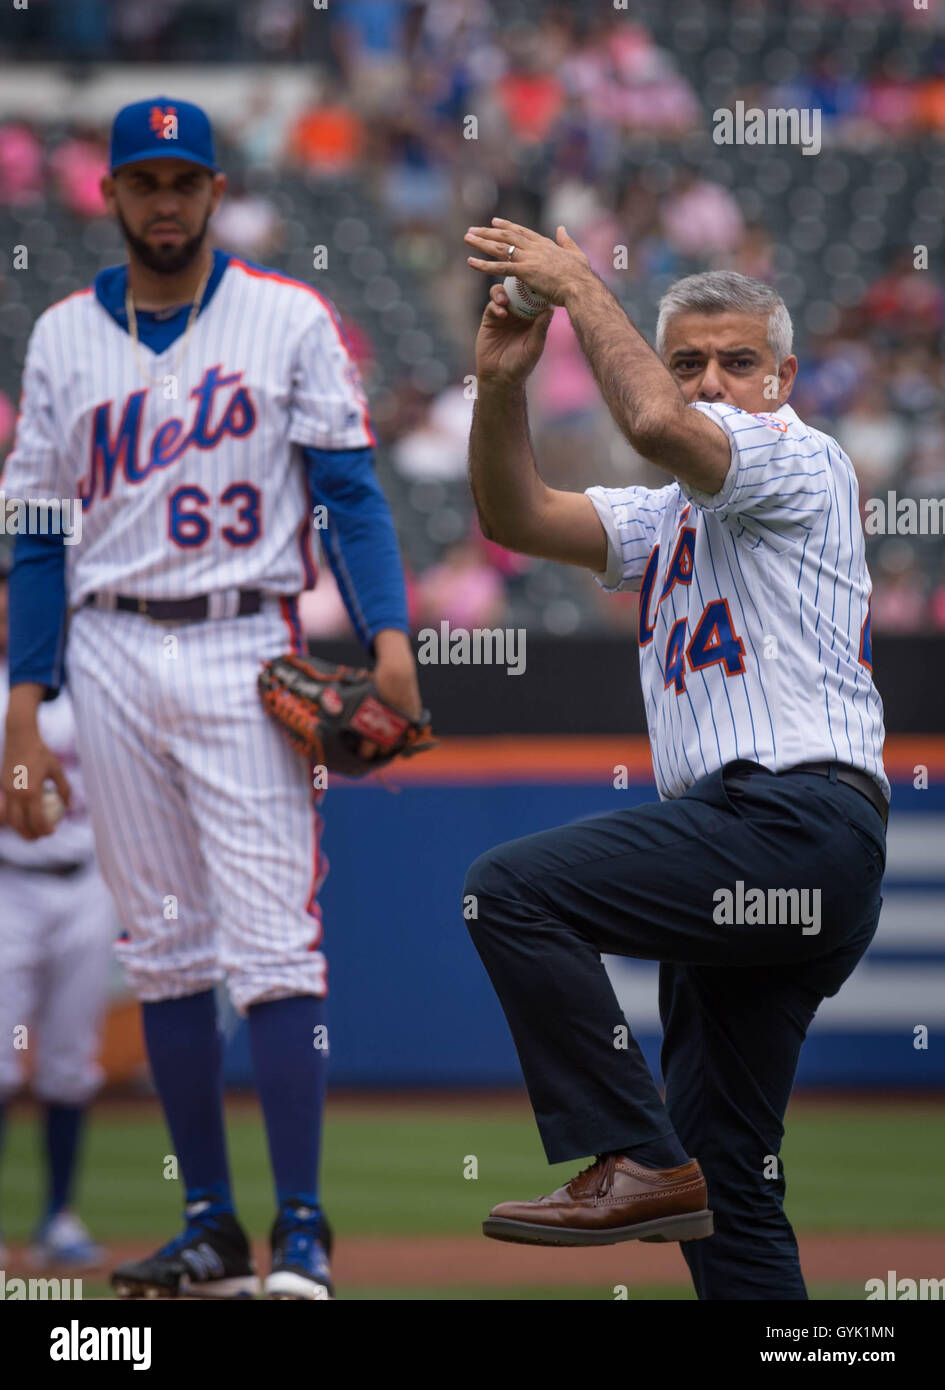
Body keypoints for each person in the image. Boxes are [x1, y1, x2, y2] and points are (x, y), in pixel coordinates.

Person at [1, 97, 422, 1301]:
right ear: (114, 195)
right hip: (110, 650)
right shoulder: (62, 339)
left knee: (274, 946)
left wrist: (388, 634)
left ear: (218, 191)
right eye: (148, 181)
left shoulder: (286, 317)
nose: (168, 201)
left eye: (188, 180)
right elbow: (36, 532)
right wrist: (27, 707)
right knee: (169, 953)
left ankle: (300, 1229)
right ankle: (210, 1225)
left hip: (247, 640)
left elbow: (347, 491)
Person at [461, 221, 887, 1300]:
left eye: (737, 361)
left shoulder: (798, 454)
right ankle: (675, 1178)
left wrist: (575, 285)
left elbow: (652, 419)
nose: (709, 379)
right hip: (767, 856)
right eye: (688, 357)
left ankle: (632, 1154)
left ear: (783, 377)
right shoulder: (664, 522)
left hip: (793, 822)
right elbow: (512, 515)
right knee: (727, 1185)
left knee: (508, 892)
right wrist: (502, 386)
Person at [0, 536, 113, 1272]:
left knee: (70, 1065)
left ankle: (58, 1219)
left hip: (89, 885)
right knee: (1, 1067)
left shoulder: (97, 683)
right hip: (9, 885)